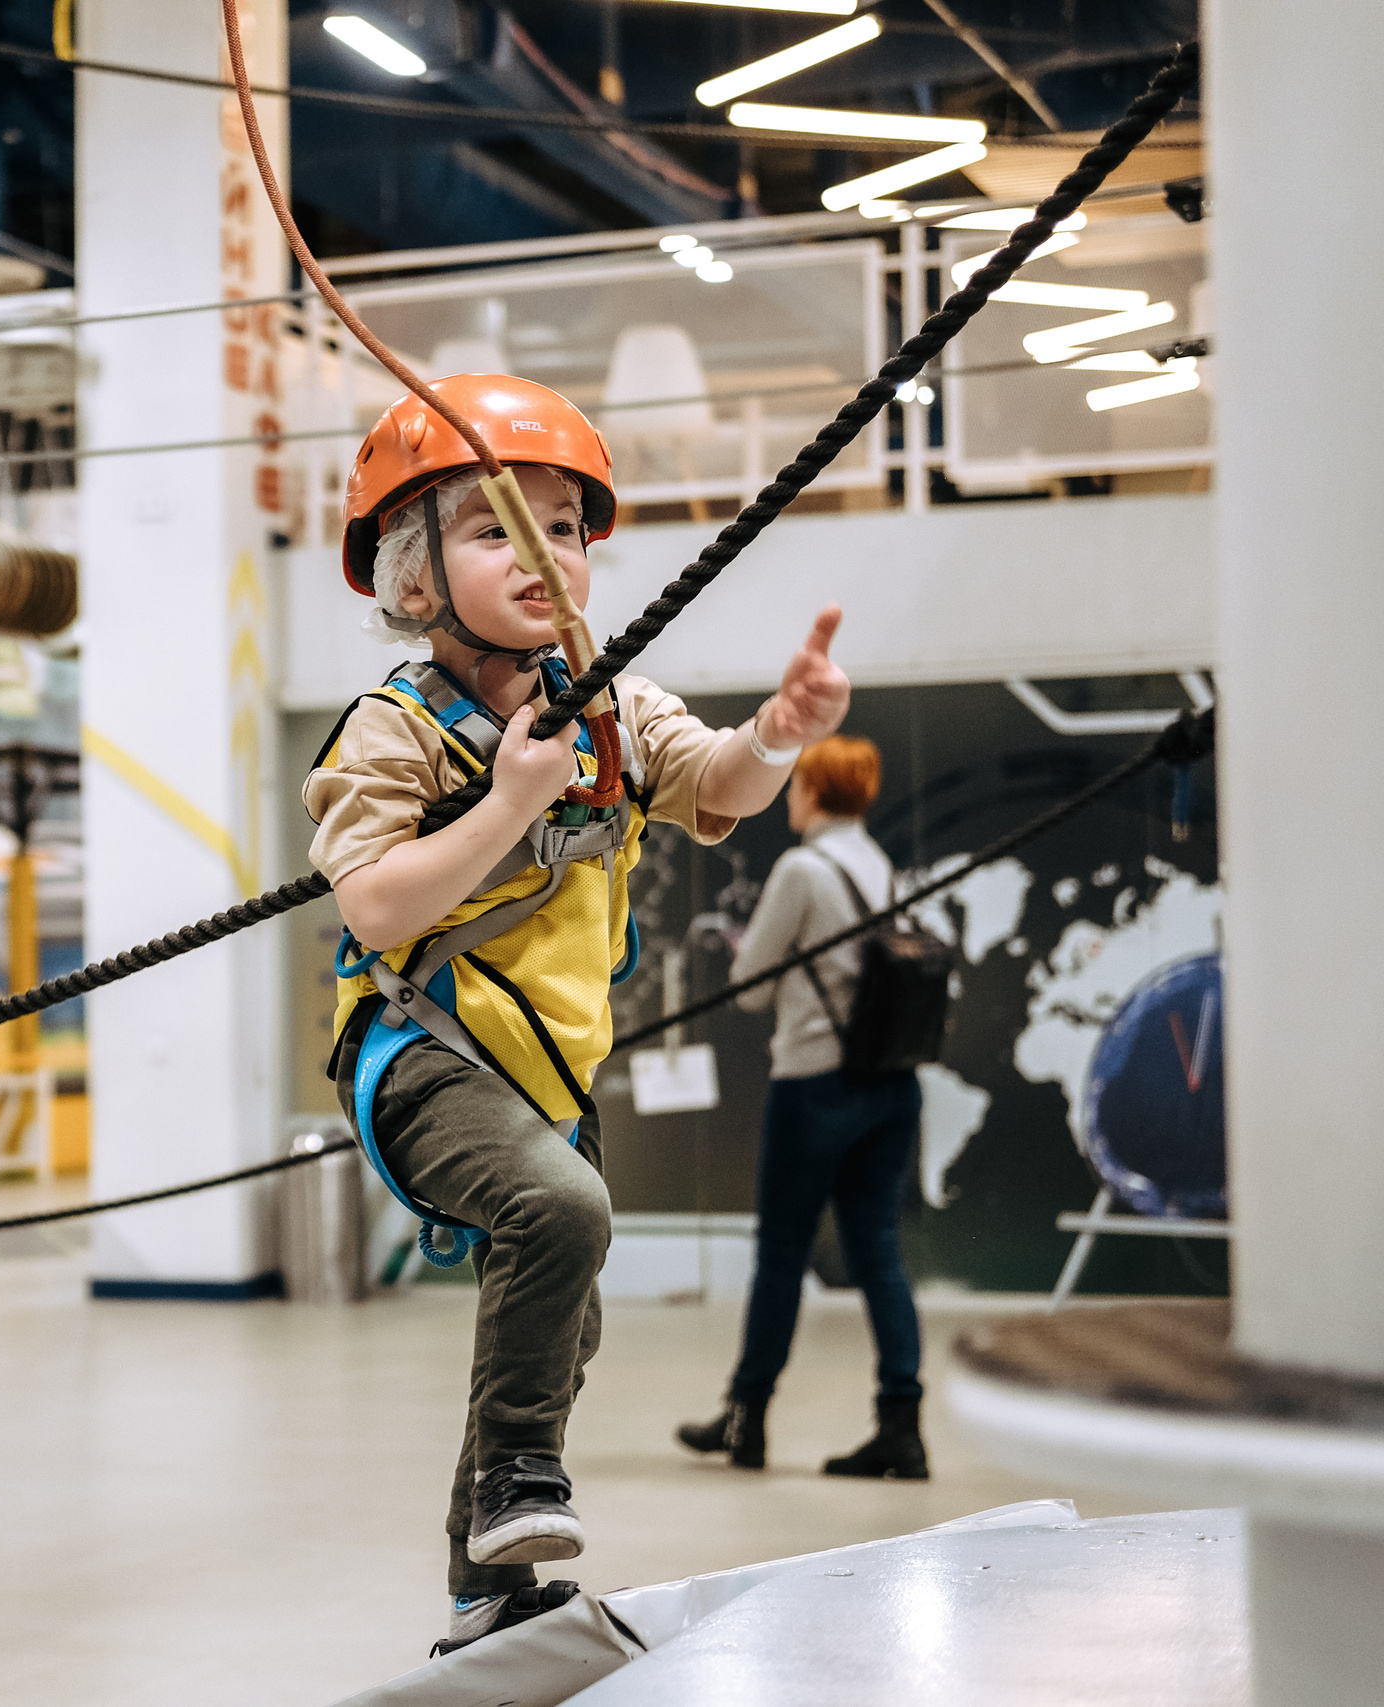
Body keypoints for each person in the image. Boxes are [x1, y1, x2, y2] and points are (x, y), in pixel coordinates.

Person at [306, 376, 850, 1655]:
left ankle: (481, 1595)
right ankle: (515, 1484)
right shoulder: (394, 731)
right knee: (561, 1211)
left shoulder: (614, 705)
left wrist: (778, 733)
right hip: (418, 1049)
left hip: (544, 1074)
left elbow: (715, 782)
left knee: (564, 1315)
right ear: (415, 577)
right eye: (495, 530)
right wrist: (508, 803)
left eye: (561, 527)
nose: (542, 554)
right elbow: (375, 904)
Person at [677, 735, 929, 1480]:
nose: (789, 797)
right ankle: (902, 1426)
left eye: (794, 786)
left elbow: (751, 989)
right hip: (890, 1084)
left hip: (814, 1085)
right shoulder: (880, 866)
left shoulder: (801, 868)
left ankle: (746, 1419)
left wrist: (751, 952)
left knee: (782, 1254)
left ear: (814, 792)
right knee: (879, 1250)